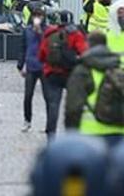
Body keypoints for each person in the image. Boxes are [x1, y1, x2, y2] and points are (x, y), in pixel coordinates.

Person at [65, 33, 124, 147]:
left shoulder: (82, 71)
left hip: (89, 132)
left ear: (88, 45)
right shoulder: (119, 69)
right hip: (117, 133)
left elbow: (73, 106)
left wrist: (71, 133)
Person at [38, 10, 89, 138]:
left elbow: (41, 55)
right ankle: (72, 134)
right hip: (71, 74)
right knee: (73, 104)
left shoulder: (50, 33)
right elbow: (84, 52)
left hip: (52, 74)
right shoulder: (76, 34)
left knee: (53, 104)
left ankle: (51, 134)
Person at [17, 4, 46, 133]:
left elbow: (47, 45)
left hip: (44, 66)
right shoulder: (27, 30)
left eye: (39, 16)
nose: (37, 18)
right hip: (31, 66)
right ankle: (27, 120)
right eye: (35, 16)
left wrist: (40, 32)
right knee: (28, 95)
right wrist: (20, 65)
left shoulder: (47, 30)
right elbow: (23, 48)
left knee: (48, 96)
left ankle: (48, 123)